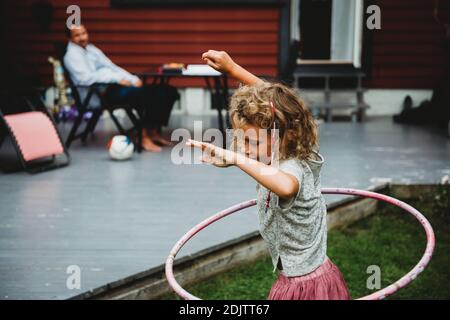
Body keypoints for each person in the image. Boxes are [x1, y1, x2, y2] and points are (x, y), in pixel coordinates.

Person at [187, 50, 351, 300]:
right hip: (300, 277)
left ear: (285, 134)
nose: (243, 148)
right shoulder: (281, 150)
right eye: (241, 141)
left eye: (251, 142)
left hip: (305, 286)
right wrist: (232, 69)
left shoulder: (294, 165)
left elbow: (285, 187)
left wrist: (235, 159)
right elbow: (279, 104)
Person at [63, 24, 174, 152]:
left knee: (166, 91)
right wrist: (115, 78)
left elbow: (112, 67)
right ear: (69, 38)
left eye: (84, 33)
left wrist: (133, 79)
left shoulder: (91, 49)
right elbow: (86, 79)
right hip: (99, 95)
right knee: (144, 95)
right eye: (77, 35)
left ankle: (152, 131)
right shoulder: (71, 56)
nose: (82, 37)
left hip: (112, 88)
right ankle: (142, 136)